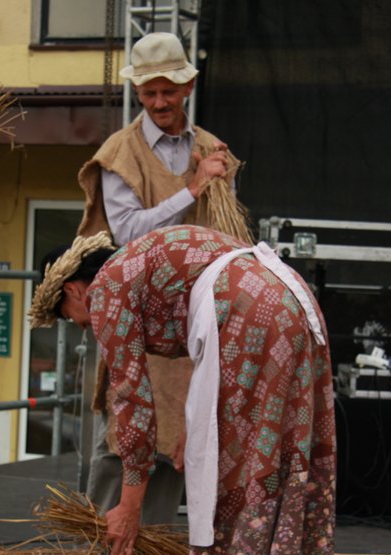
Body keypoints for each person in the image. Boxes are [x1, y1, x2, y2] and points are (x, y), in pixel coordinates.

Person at [29, 225, 336, 555]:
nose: (86, 326)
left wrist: (129, 505)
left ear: (75, 290)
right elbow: (206, 323)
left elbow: (131, 400)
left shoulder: (105, 289)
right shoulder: (144, 262)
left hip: (245, 317)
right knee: (286, 461)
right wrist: (196, 421)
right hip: (293, 302)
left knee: (227, 473)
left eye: (74, 318)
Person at [75, 32, 251, 526]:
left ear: (188, 86)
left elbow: (228, 237)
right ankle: (101, 550)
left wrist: (215, 181)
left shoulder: (213, 149)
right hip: (138, 319)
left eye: (167, 91)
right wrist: (192, 188)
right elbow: (128, 234)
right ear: (137, 91)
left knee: (179, 442)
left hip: (195, 324)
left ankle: (151, 553)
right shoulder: (120, 152)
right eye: (148, 92)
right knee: (122, 439)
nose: (158, 103)